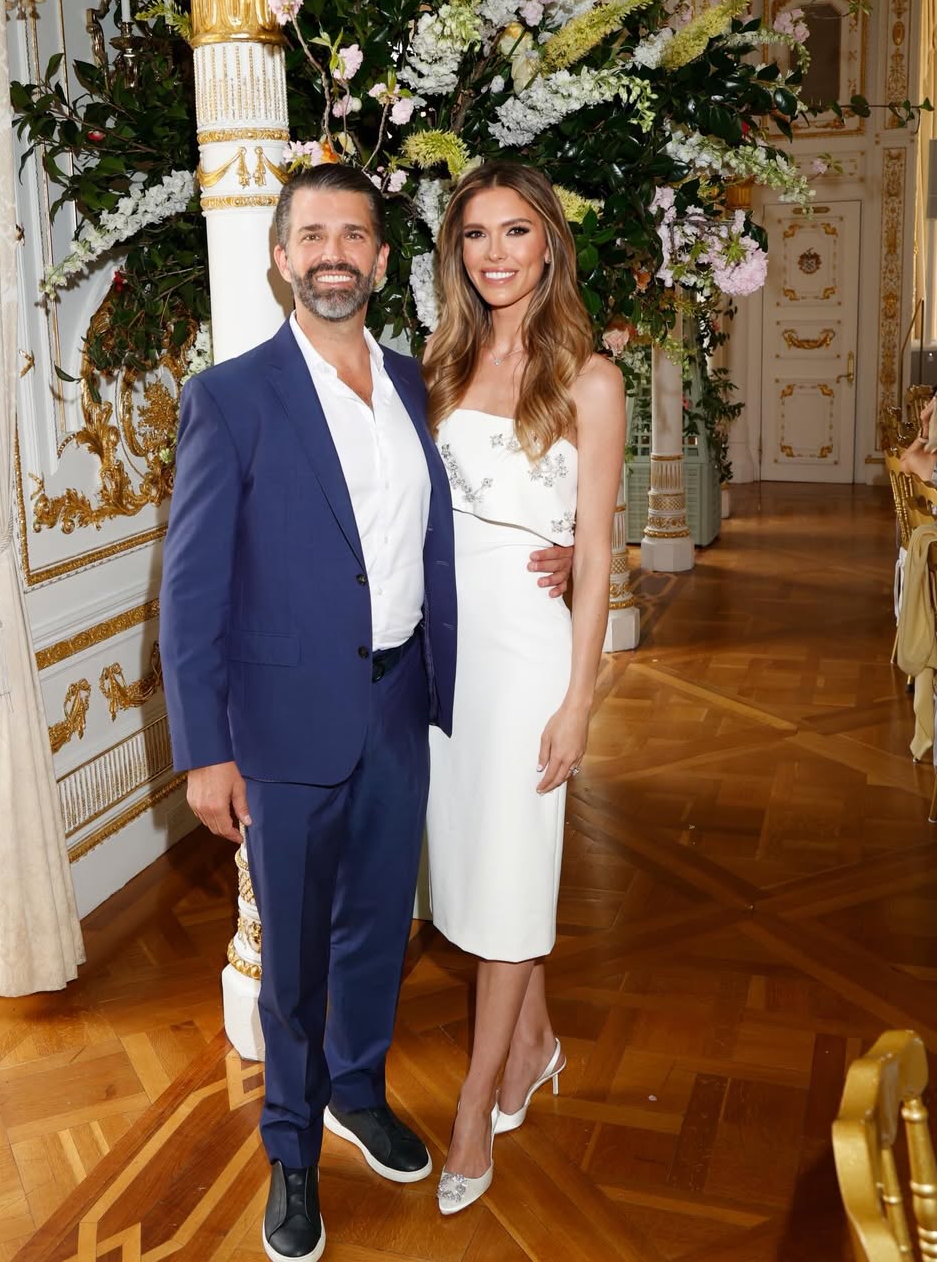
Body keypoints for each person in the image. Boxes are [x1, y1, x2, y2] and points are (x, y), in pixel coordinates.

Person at [159, 163, 573, 1262]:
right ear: (282, 258)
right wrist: (207, 753)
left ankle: (359, 1089)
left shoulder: (415, 380)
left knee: (376, 932)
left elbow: (489, 499)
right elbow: (190, 591)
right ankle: (292, 1154)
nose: (334, 252)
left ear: (383, 261)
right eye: (313, 235)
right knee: (290, 958)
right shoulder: (231, 396)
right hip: (284, 724)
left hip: (402, 704)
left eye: (356, 234)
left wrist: (574, 547)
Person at [422, 161, 625, 1215]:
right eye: (475, 236)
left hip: (529, 655)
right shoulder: (441, 362)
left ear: (550, 244)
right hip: (448, 652)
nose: (495, 254)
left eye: (515, 232)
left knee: (507, 873)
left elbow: (593, 554)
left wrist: (579, 701)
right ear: (456, 252)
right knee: (481, 869)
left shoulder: (590, 377)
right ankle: (536, 1041)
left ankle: (475, 1105)